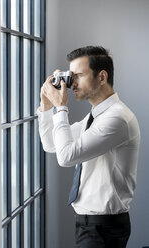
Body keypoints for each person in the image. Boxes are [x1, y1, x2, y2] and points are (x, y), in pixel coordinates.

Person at [37, 46, 140, 248]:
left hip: (103, 228)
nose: (72, 83)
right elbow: (52, 145)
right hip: (91, 226)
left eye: (78, 75)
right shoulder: (95, 116)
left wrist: (62, 107)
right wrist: (47, 106)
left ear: (102, 77)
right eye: (70, 75)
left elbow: (66, 157)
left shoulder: (117, 118)